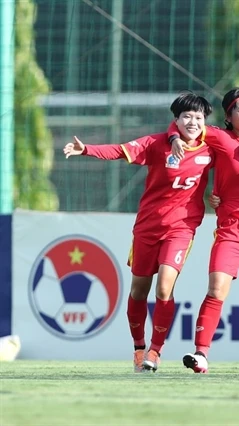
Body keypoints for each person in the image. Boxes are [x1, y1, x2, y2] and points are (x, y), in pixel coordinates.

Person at [63, 92, 215, 373]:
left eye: (198, 117)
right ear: (176, 120)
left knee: (165, 287)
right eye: (186, 117)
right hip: (147, 227)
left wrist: (221, 197)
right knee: (138, 290)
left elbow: (235, 164)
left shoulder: (211, 146)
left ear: (205, 121)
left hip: (181, 228)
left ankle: (155, 351)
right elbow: (120, 151)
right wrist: (86, 150)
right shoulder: (157, 144)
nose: (193, 122)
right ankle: (138, 348)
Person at [168, 88, 239, 374]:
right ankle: (201, 354)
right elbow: (186, 125)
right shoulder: (220, 137)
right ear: (229, 117)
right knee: (216, 289)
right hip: (230, 228)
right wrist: (172, 137)